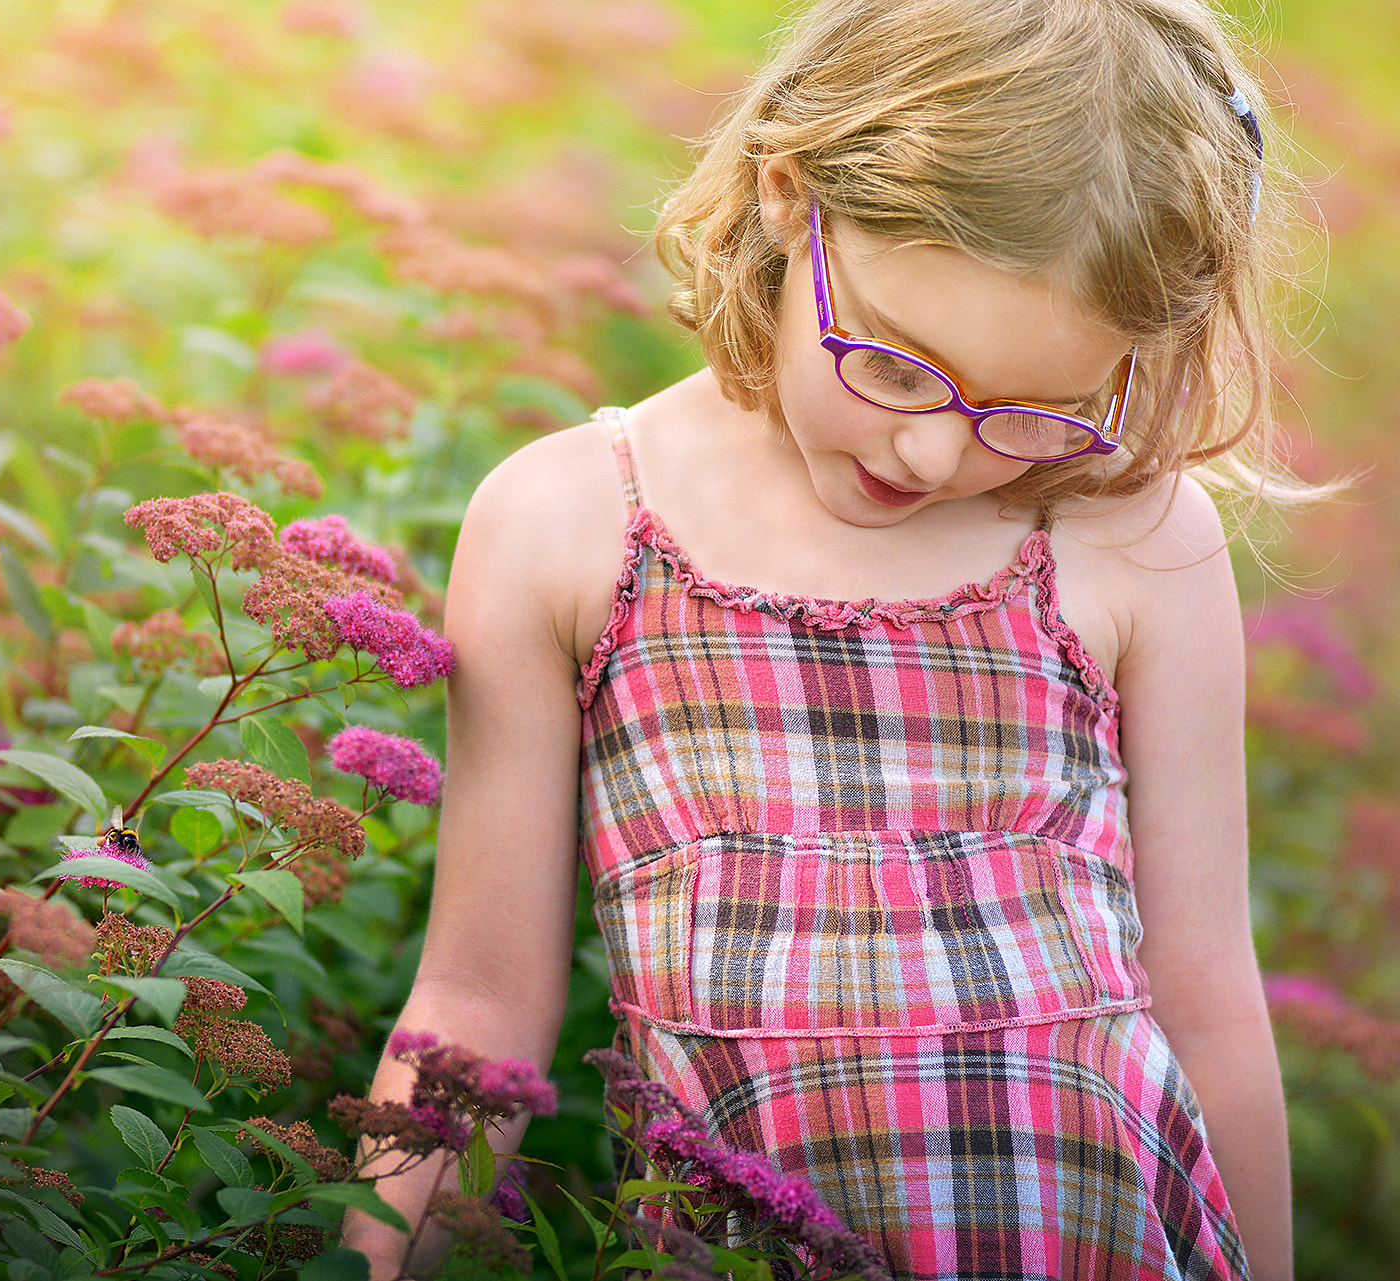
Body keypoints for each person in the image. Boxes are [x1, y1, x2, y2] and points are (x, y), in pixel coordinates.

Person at [349, 0, 1308, 1276]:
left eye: (1037, 408)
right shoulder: (575, 526)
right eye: (899, 366)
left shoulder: (1129, 532)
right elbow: (476, 1004)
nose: (933, 449)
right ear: (785, 197)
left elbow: (1206, 1000)